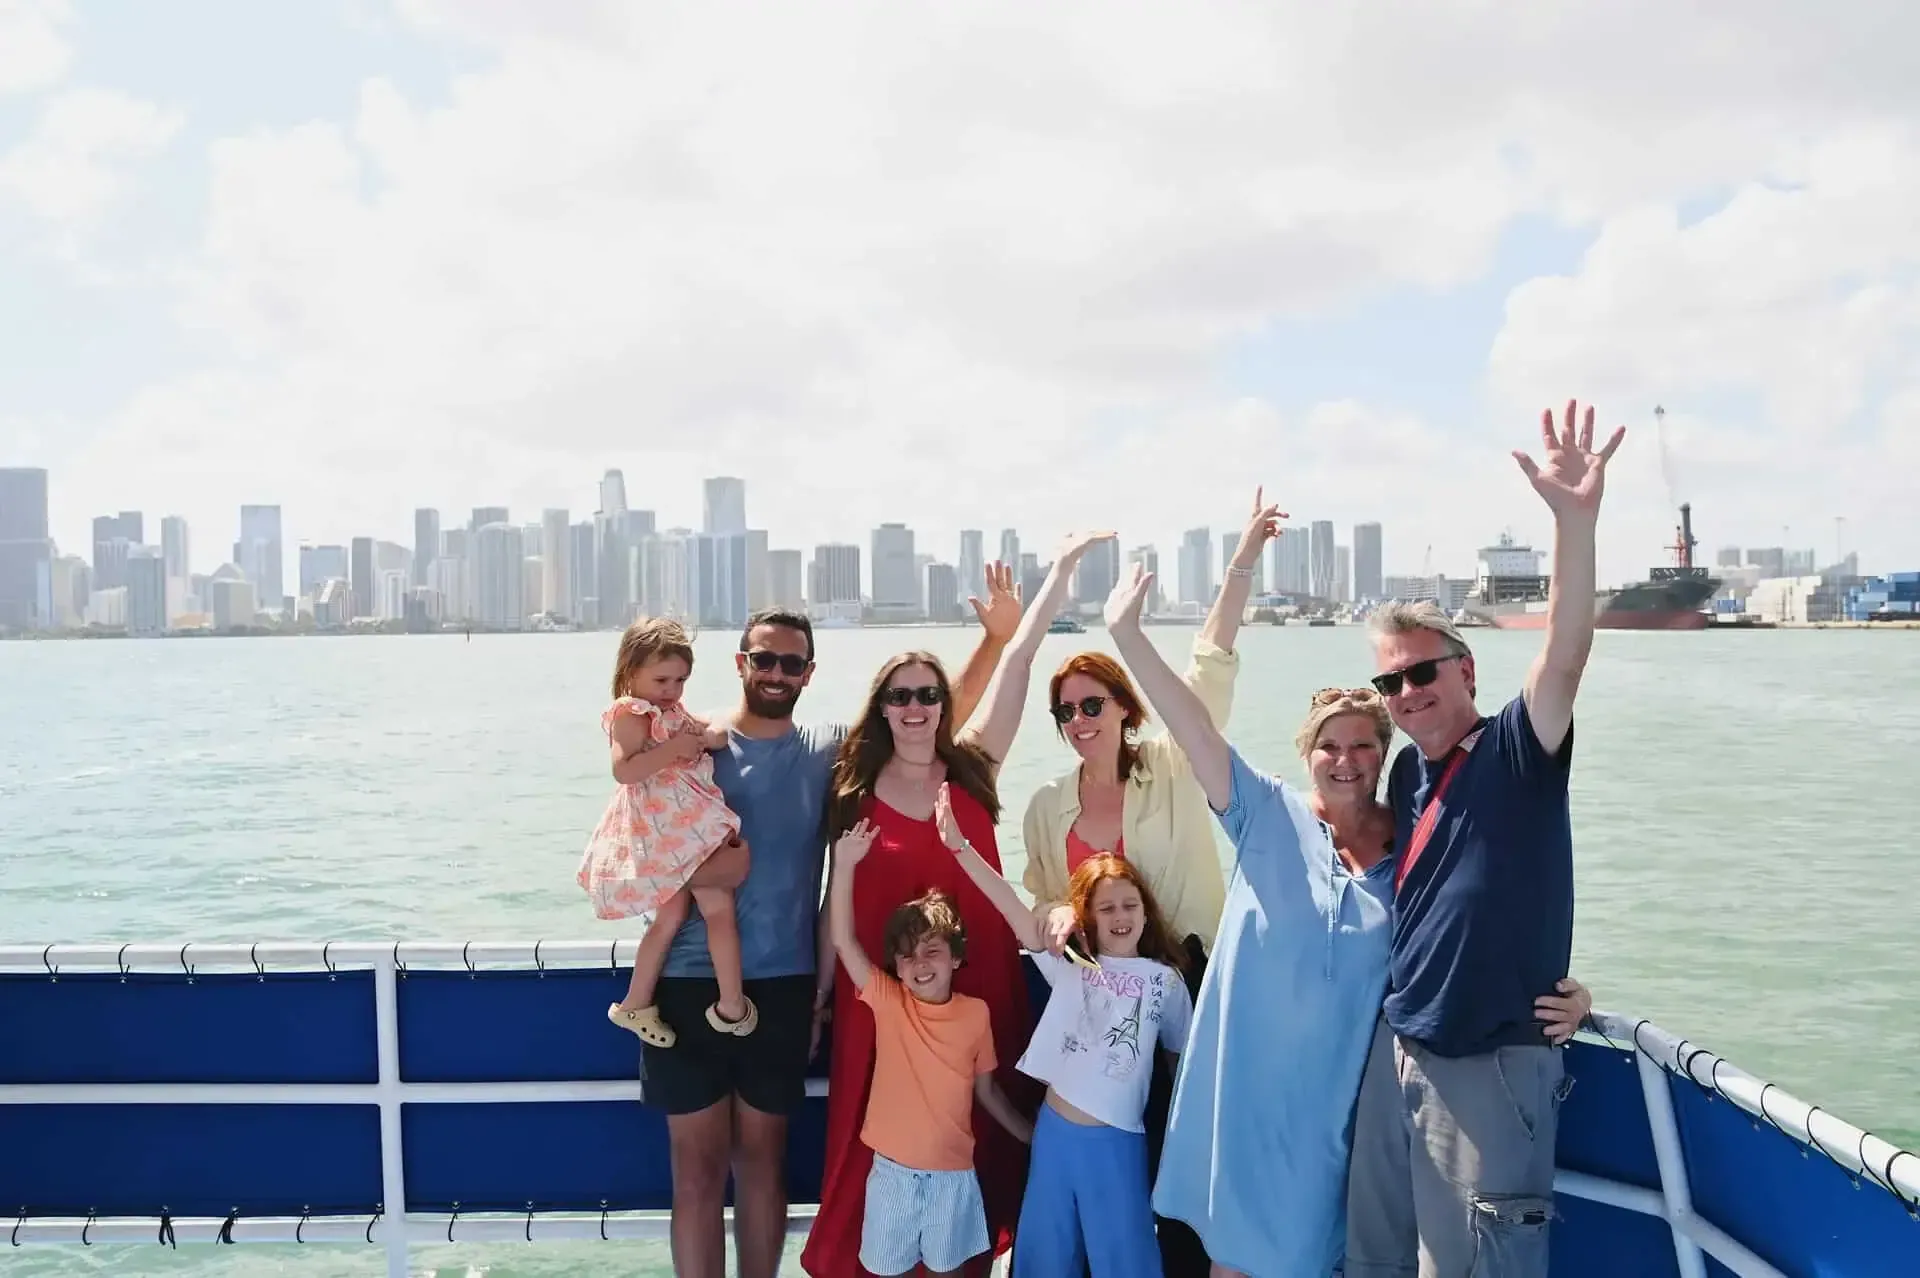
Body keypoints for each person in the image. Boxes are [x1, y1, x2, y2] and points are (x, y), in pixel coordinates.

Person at [1099, 561, 1592, 1277]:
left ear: (1384, 755)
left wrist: (1570, 985)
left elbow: (1478, 913)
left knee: (1330, 1255)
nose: (1348, 759)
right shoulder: (1267, 817)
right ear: (1307, 753)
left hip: (1342, 1114)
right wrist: (1128, 637)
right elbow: (1194, 730)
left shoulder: (1408, 852)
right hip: (1245, 1101)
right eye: (1330, 744)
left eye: (1365, 743)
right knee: (1233, 1260)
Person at [641, 597, 1018, 1278]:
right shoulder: (696, 744)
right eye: (764, 658)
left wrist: (995, 642)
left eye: (791, 662)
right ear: (741, 662)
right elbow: (635, 808)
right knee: (694, 1173)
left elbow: (924, 711)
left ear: (810, 673)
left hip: (783, 987)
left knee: (762, 1167)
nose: (776, 672)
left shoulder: (827, 752)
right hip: (687, 978)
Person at [1344, 401, 1624, 1278]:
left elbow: (1568, 653)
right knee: (1377, 1257)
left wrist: (1572, 523)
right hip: (1402, 1053)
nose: (1405, 692)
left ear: (1465, 668)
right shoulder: (1405, 775)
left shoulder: (1517, 748)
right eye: (1389, 681)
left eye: (1421, 672)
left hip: (1492, 1069)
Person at [1019, 493, 1281, 1274]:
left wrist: (1240, 564)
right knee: (1108, 1165)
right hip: (1098, 1009)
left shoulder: (1171, 763)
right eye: (1065, 711)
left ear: (1126, 709)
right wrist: (1054, 919)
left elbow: (1211, 663)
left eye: (1092, 703)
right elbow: (1034, 898)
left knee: (1186, 1152)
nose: (1078, 719)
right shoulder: (1044, 806)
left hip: (1190, 983)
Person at [800, 618, 1055, 1278]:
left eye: (928, 695)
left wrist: (1050, 586)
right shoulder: (853, 789)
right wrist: (822, 994)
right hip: (877, 1003)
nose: (915, 707)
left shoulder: (971, 771)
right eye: (900, 695)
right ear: (881, 707)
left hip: (977, 995)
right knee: (870, 1141)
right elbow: (837, 901)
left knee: (987, 1128)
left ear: (944, 704)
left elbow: (1020, 667)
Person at [941, 782, 1194, 1278]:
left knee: (1127, 1259)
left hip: (1118, 1143)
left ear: (1146, 910)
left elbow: (1181, 1059)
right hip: (1054, 1137)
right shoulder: (1071, 966)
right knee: (1044, 1258)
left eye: (1129, 905)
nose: (1120, 916)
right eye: (1107, 908)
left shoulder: (1166, 982)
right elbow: (1009, 906)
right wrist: (960, 848)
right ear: (1088, 919)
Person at [826, 815, 1033, 1277]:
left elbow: (988, 1093)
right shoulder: (887, 999)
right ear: (895, 966)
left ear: (957, 957)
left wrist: (1032, 1138)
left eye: (932, 950)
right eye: (907, 954)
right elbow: (842, 939)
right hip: (892, 1176)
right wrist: (843, 866)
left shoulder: (976, 1014)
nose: (919, 963)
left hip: (953, 1178)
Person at [579, 617, 753, 1046]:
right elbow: (624, 769)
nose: (672, 690)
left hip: (682, 824)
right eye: (661, 679)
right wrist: (676, 748)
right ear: (630, 670)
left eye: (680, 680)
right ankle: (730, 1006)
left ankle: (639, 1002)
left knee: (686, 912)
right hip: (671, 828)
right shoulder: (631, 713)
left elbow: (702, 733)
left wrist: (710, 736)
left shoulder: (671, 711)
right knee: (712, 908)